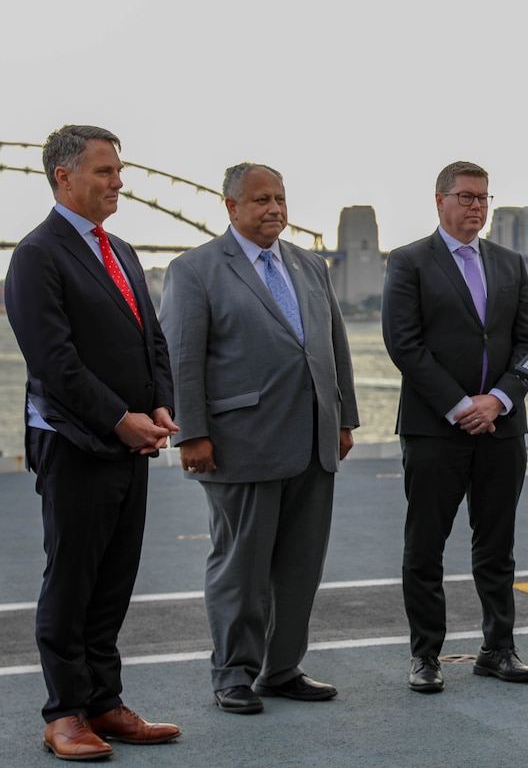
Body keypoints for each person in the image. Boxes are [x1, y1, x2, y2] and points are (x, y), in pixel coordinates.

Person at [5, 125, 181, 759]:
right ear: (64, 177)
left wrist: (160, 403)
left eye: (119, 170)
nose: (118, 182)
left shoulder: (125, 250)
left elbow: (151, 340)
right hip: (76, 442)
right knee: (72, 580)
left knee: (114, 579)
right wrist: (118, 419)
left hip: (129, 441)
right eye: (105, 171)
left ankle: (105, 703)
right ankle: (65, 713)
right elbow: (54, 361)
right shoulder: (36, 254)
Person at [159, 163, 360, 714]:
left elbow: (333, 347)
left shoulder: (310, 266)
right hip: (239, 443)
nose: (274, 209)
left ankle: (281, 668)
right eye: (260, 200)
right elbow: (182, 359)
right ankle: (233, 674)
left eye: (280, 198)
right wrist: (191, 434)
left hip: (313, 440)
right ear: (230, 207)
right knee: (241, 570)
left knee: (300, 568)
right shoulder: (194, 270)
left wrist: (344, 418)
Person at [382, 161, 528, 693]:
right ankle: (425, 655)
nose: (476, 206)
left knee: (497, 545)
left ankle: (499, 648)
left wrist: (497, 400)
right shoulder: (408, 262)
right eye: (466, 196)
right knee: (425, 546)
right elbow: (405, 344)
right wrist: (458, 405)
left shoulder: (510, 262)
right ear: (439, 200)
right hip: (434, 429)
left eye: (484, 198)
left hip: (501, 427)